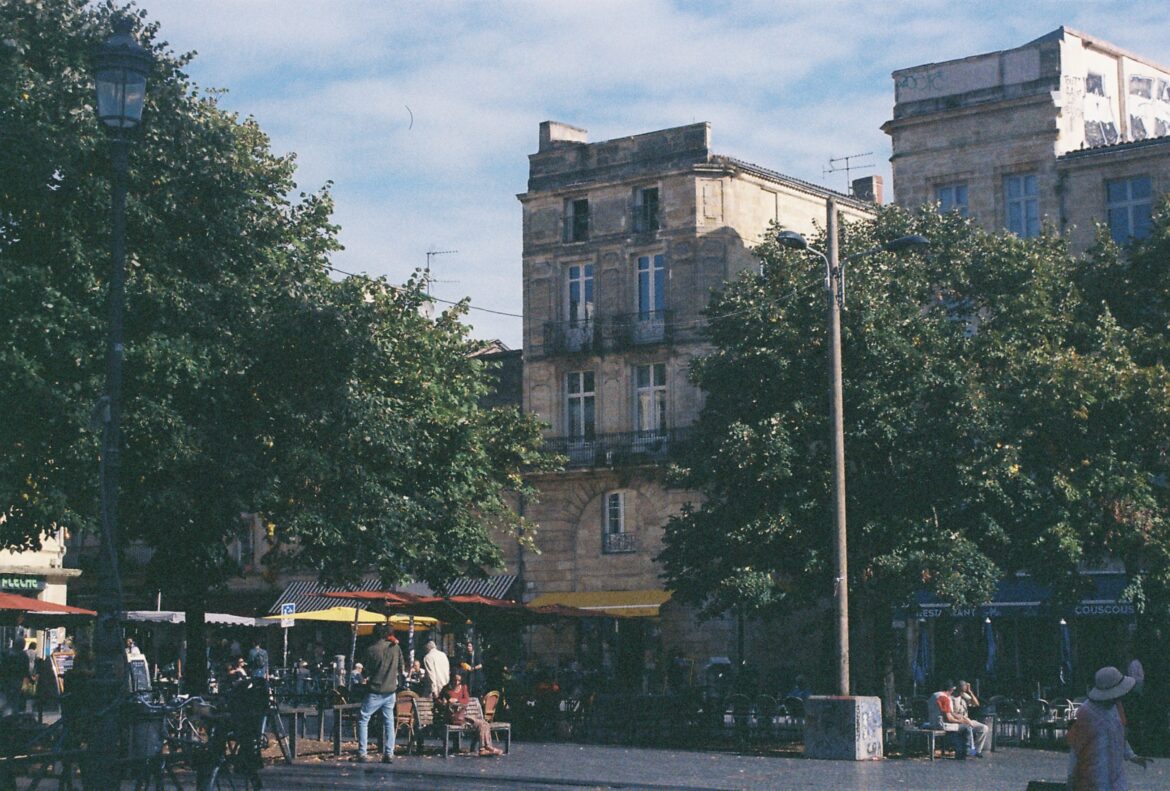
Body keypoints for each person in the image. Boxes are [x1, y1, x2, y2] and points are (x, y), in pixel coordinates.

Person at [1068, 666, 1151, 790]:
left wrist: (1131, 755)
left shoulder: (1116, 707)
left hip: (1116, 780)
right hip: (1093, 780)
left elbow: (1119, 734)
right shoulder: (1085, 713)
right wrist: (1071, 779)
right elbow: (1075, 751)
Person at [356, 624, 402, 764]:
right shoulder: (395, 648)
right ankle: (389, 752)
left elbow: (366, 672)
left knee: (363, 719)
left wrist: (361, 676)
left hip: (375, 690)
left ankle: (363, 752)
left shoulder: (371, 649)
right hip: (391, 690)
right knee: (389, 721)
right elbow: (401, 667)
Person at [440, 673, 502, 756]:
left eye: (459, 680)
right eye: (455, 680)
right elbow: (439, 699)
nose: (457, 682)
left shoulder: (463, 687)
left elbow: (466, 700)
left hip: (464, 714)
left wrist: (457, 700)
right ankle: (484, 748)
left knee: (485, 724)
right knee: (481, 724)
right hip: (455, 717)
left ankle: (486, 747)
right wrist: (446, 702)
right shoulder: (447, 689)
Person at [950, 680, 989, 757]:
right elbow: (951, 713)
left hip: (967, 719)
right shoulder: (951, 697)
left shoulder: (964, 696)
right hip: (957, 721)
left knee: (984, 728)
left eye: (965, 687)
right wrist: (962, 719)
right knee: (969, 727)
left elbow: (976, 704)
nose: (963, 689)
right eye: (962, 687)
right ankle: (970, 750)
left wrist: (970, 692)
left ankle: (977, 751)